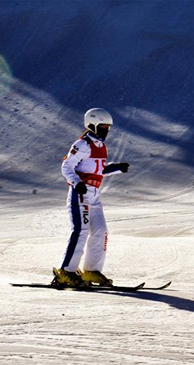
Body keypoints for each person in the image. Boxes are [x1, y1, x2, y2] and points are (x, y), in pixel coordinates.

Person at [53, 108, 130, 287]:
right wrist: (76, 183)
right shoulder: (82, 144)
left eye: (108, 127)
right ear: (92, 125)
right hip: (80, 193)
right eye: (102, 126)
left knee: (101, 231)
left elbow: (98, 170)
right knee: (81, 230)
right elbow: (67, 166)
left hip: (94, 194)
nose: (106, 130)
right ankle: (66, 272)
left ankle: (91, 271)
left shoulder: (101, 146)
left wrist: (117, 168)